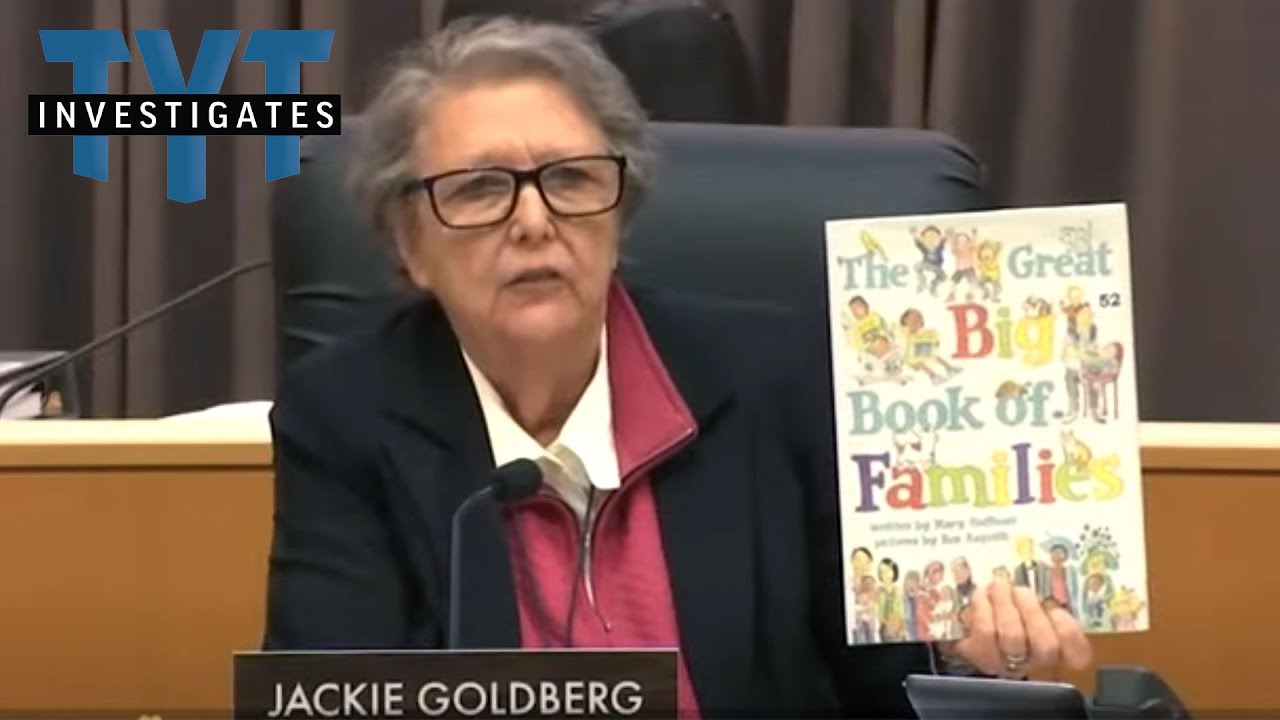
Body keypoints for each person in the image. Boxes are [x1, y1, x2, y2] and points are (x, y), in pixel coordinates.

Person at [263, 16, 1092, 719]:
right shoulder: (346, 413)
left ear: (620, 213)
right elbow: (330, 692)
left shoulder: (779, 379)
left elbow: (889, 684)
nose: (534, 220)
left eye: (571, 179)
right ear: (408, 245)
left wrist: (976, 657)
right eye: (480, 189)